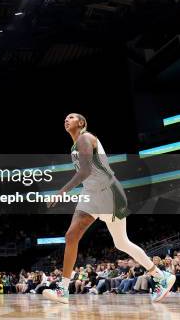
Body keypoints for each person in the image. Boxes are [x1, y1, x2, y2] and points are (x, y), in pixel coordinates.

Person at [43, 113, 176, 304]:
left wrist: (62, 191)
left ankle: (159, 276)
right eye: (65, 117)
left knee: (121, 242)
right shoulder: (74, 146)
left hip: (108, 192)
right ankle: (63, 289)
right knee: (71, 236)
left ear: (81, 123)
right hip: (90, 194)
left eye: (71, 117)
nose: (66, 119)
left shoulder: (86, 137)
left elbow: (86, 170)